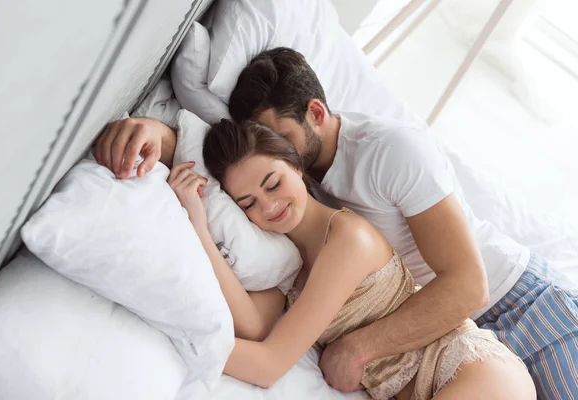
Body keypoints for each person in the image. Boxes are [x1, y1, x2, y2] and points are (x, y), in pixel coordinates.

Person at [94, 47, 578, 400]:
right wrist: (162, 143)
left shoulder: (386, 159)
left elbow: (469, 286)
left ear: (308, 129)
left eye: (279, 148)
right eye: (248, 203)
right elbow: (251, 319)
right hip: (446, 337)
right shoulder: (292, 233)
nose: (267, 204)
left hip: (514, 306)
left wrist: (357, 349)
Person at [166, 119, 534, 399]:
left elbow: (269, 365)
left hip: (472, 370)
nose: (269, 206)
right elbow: (252, 327)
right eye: (248, 203)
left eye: (273, 184)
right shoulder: (285, 263)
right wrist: (198, 225)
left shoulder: (348, 239)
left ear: (296, 166)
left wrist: (172, 328)